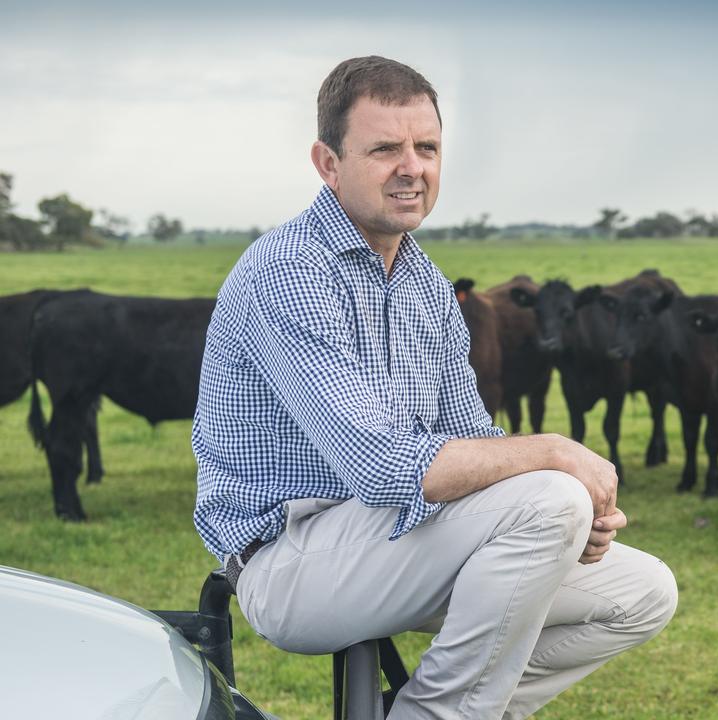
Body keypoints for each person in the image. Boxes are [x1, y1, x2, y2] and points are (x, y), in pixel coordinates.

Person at [191, 55, 677, 719]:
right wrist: (558, 459)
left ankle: (423, 712)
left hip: (396, 541)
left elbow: (475, 437)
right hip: (289, 560)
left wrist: (575, 515)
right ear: (328, 163)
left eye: (427, 147)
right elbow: (385, 466)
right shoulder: (288, 271)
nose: (411, 167)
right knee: (550, 495)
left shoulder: (424, 284)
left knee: (644, 592)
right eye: (384, 148)